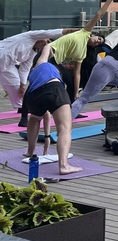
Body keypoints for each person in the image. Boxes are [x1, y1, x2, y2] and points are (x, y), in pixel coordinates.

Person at [22, 43, 83, 176]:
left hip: (33, 94)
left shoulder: (35, 69)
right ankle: (63, 166)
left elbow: (46, 49)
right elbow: (48, 47)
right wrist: (56, 46)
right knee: (64, 128)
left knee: (34, 118)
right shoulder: (47, 64)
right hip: (54, 89)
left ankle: (30, 151)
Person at [0, 27, 78, 125]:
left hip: (7, 65)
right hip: (1, 53)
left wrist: (22, 85)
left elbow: (25, 69)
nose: (45, 44)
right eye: (46, 41)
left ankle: (21, 107)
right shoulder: (30, 36)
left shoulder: (32, 53)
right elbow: (48, 32)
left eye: (47, 44)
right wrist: (68, 31)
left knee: (16, 85)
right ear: (42, 37)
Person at [47, 0, 116, 99]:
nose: (97, 42)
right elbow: (98, 14)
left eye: (98, 43)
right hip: (48, 53)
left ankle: (71, 109)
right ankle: (25, 111)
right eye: (98, 39)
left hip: (55, 61)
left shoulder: (82, 53)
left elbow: (77, 74)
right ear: (93, 35)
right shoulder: (84, 32)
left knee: (70, 82)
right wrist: (109, 0)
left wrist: (76, 93)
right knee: (44, 83)